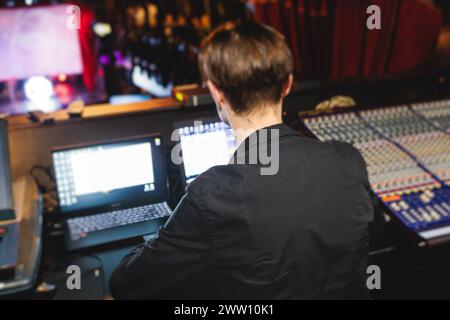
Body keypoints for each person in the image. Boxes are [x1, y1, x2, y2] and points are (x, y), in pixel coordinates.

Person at [110, 21, 383, 299]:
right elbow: (374, 230)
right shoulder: (348, 161)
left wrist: (160, 235)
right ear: (287, 84)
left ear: (216, 91)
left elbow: (126, 284)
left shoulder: (212, 196)